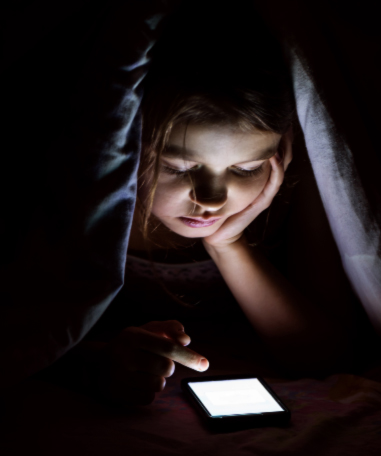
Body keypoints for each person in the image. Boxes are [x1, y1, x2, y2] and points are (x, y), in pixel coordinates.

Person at [43, 2, 356, 406]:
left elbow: (326, 357)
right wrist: (95, 361)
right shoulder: (87, 208)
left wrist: (227, 245)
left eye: (245, 169)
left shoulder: (288, 200)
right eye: (178, 166)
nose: (211, 198)